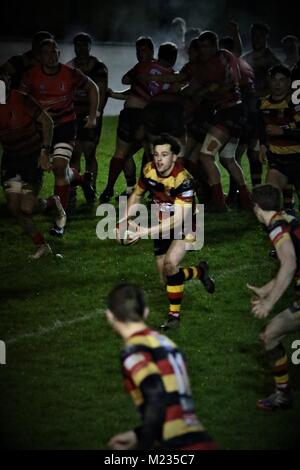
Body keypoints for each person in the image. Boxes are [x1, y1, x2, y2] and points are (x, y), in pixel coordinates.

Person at [119, 134, 215, 330]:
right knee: (165, 278)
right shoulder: (149, 170)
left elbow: (178, 219)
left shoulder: (184, 180)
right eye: (156, 154)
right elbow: (137, 194)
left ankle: (174, 317)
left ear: (174, 157)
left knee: (171, 265)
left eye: (164, 154)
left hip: (185, 224)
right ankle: (199, 271)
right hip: (161, 222)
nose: (159, 159)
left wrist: (144, 231)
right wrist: (125, 219)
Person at [106, 282, 217, 450]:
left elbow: (156, 397)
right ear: (146, 312)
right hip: (202, 441)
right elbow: (174, 406)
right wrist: (138, 435)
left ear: (109, 316)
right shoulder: (167, 343)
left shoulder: (134, 351)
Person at [20, 39, 99, 235]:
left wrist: (93, 115)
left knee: (59, 168)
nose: (52, 55)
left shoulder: (69, 73)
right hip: (41, 128)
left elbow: (93, 88)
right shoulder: (32, 76)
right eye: (47, 52)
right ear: (40, 56)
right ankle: (81, 179)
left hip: (65, 125)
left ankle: (59, 220)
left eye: (55, 51)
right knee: (49, 168)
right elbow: (19, 98)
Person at [0, 75, 65, 259]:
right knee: (14, 207)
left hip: (31, 158)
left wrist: (45, 151)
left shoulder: (21, 99)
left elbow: (47, 122)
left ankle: (53, 202)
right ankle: (42, 245)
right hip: (11, 161)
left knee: (27, 207)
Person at [247, 184, 300, 411]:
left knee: (269, 336)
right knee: (270, 335)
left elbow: (288, 264)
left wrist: (269, 303)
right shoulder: (287, 217)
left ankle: (283, 395)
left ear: (256, 208)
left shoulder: (276, 227)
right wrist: (268, 288)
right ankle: (283, 394)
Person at [67, 33, 108, 195]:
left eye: (84, 45)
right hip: (74, 114)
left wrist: (96, 114)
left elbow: (102, 92)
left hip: (91, 113)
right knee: (75, 152)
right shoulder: (70, 67)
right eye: (77, 45)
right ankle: (73, 189)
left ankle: (91, 187)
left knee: (89, 152)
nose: (80, 48)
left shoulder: (98, 67)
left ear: (90, 46)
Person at [258, 65, 300, 203]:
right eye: (274, 80)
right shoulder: (263, 103)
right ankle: (285, 217)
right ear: (269, 81)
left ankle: (289, 210)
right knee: (267, 200)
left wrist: (283, 131)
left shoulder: (295, 103)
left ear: (289, 82)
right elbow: (261, 128)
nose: (277, 84)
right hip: (278, 162)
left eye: (282, 80)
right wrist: (263, 144)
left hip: (298, 158)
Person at [243, 22, 281, 98]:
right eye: (254, 35)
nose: (256, 38)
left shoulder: (274, 62)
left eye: (260, 35)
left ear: (265, 37)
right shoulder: (245, 58)